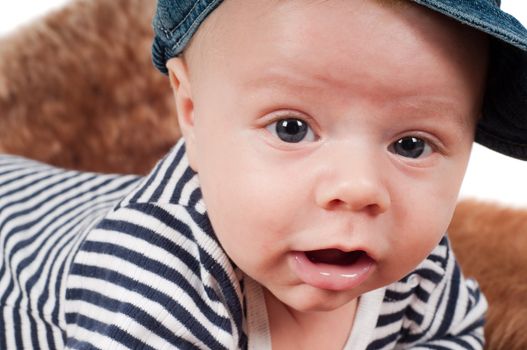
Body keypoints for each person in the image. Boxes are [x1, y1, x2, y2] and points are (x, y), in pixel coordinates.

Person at [1, 0, 526, 349]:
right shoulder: (150, 274)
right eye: (293, 129)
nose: (359, 188)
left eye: (411, 145)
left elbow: (457, 334)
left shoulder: (419, 263)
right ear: (192, 112)